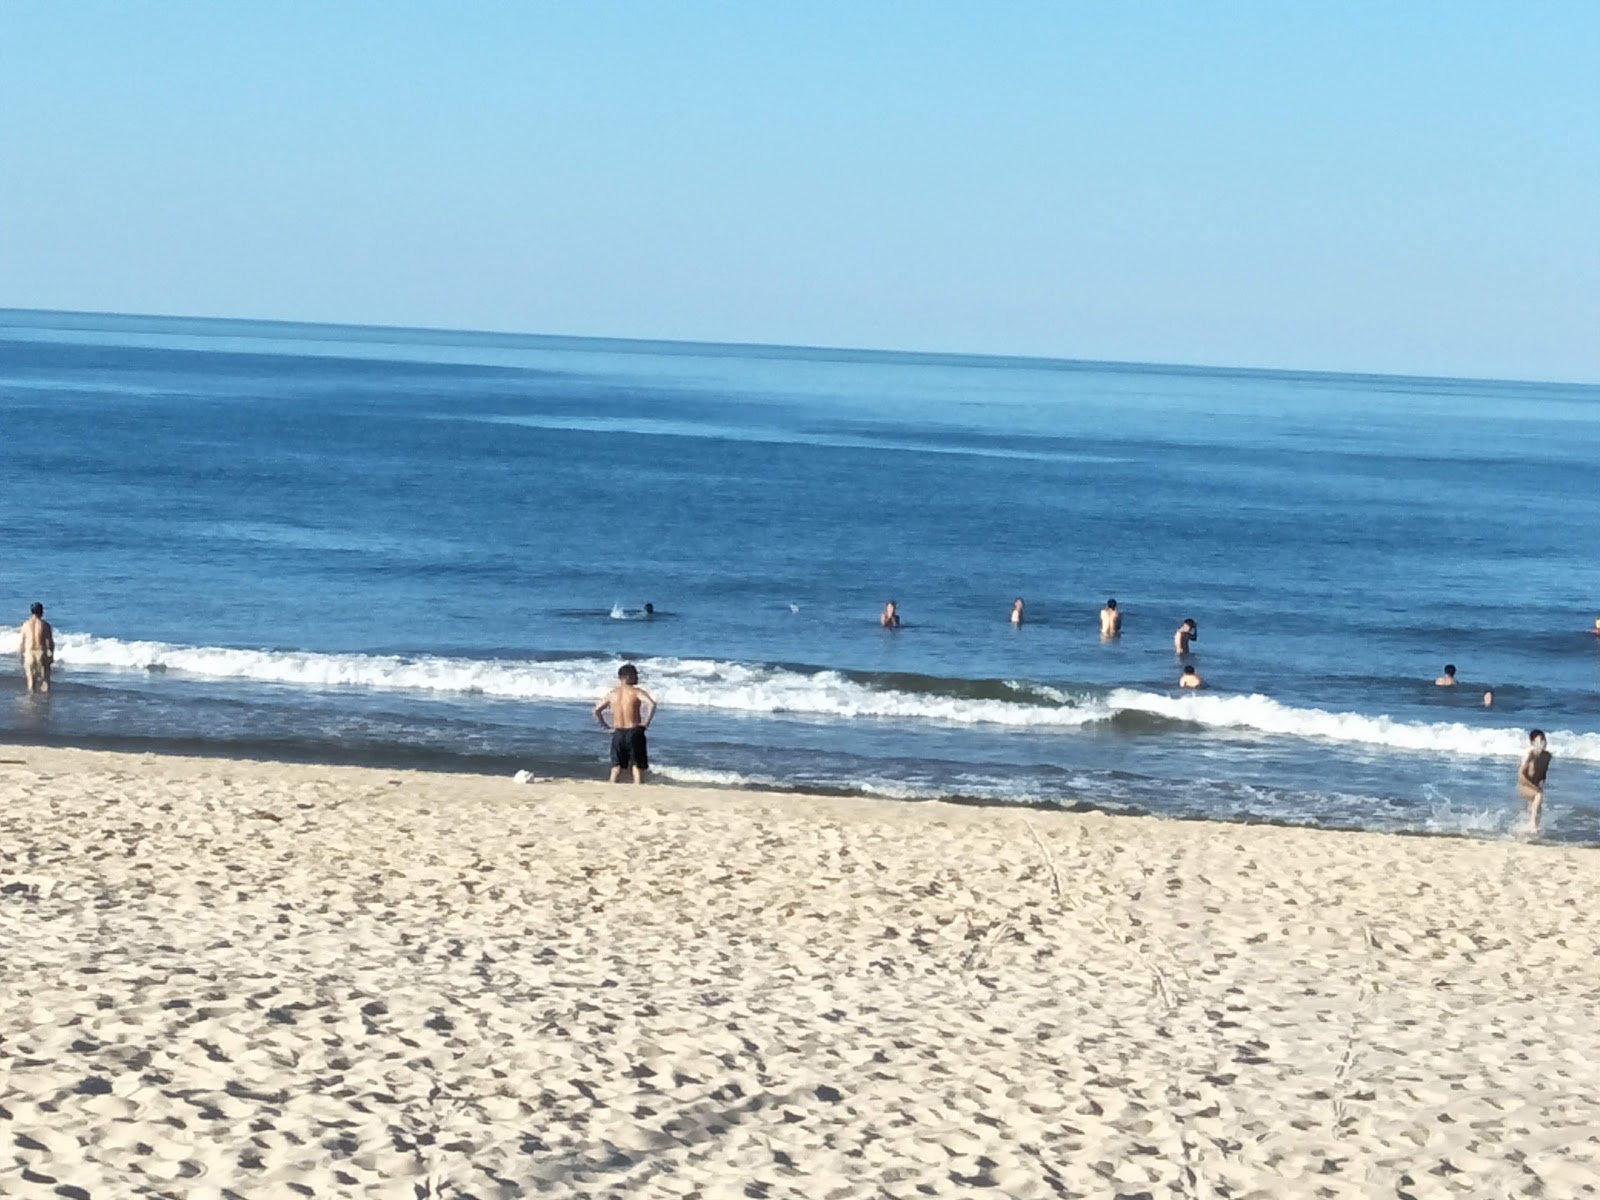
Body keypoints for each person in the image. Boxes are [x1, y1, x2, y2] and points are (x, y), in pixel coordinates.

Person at [593, 663, 656, 784]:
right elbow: (651, 704)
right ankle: (638, 788)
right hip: (634, 731)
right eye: (635, 675)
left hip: (618, 733)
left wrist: (606, 727)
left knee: (616, 766)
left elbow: (596, 710)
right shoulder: (636, 692)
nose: (637, 678)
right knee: (637, 766)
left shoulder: (612, 694)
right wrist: (646, 722)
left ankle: (612, 786)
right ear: (627, 676)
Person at [1517, 729, 1551, 834]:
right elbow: (1521, 774)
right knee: (1538, 796)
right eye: (1540, 741)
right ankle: (1532, 825)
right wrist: (1532, 786)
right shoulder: (1530, 754)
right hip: (1524, 783)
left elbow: (1543, 772)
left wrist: (1540, 784)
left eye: (1544, 740)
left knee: (1537, 804)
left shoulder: (1547, 755)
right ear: (1532, 743)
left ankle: (1533, 826)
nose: (1543, 743)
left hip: (1535, 783)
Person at [19, 602, 54, 695]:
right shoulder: (45, 625)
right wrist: (51, 655)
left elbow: (22, 642)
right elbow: (50, 642)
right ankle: (46, 701)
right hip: (41, 652)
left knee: (30, 681)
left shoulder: (25, 625)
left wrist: (21, 654)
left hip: (29, 653)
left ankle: (31, 701)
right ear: (41, 612)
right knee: (45, 679)